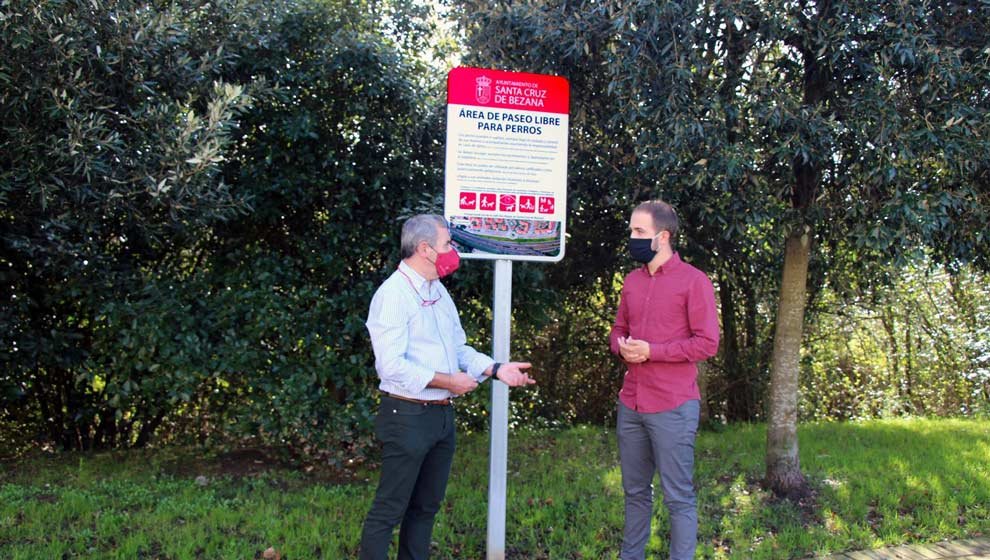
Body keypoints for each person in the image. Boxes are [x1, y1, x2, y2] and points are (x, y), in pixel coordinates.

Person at [359, 214, 536, 560]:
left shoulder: (437, 292)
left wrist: (497, 369)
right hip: (406, 414)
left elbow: (458, 349)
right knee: (389, 510)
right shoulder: (392, 295)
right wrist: (447, 380)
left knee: (425, 508)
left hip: (441, 418)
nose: (452, 251)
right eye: (447, 245)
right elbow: (391, 366)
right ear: (425, 249)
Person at [609, 200, 719, 560]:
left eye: (639, 232)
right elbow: (618, 329)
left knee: (678, 496)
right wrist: (622, 346)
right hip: (632, 403)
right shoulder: (632, 281)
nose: (632, 238)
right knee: (635, 492)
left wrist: (653, 351)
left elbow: (707, 343)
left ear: (663, 236)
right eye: (631, 231)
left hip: (673, 404)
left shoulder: (694, 281)